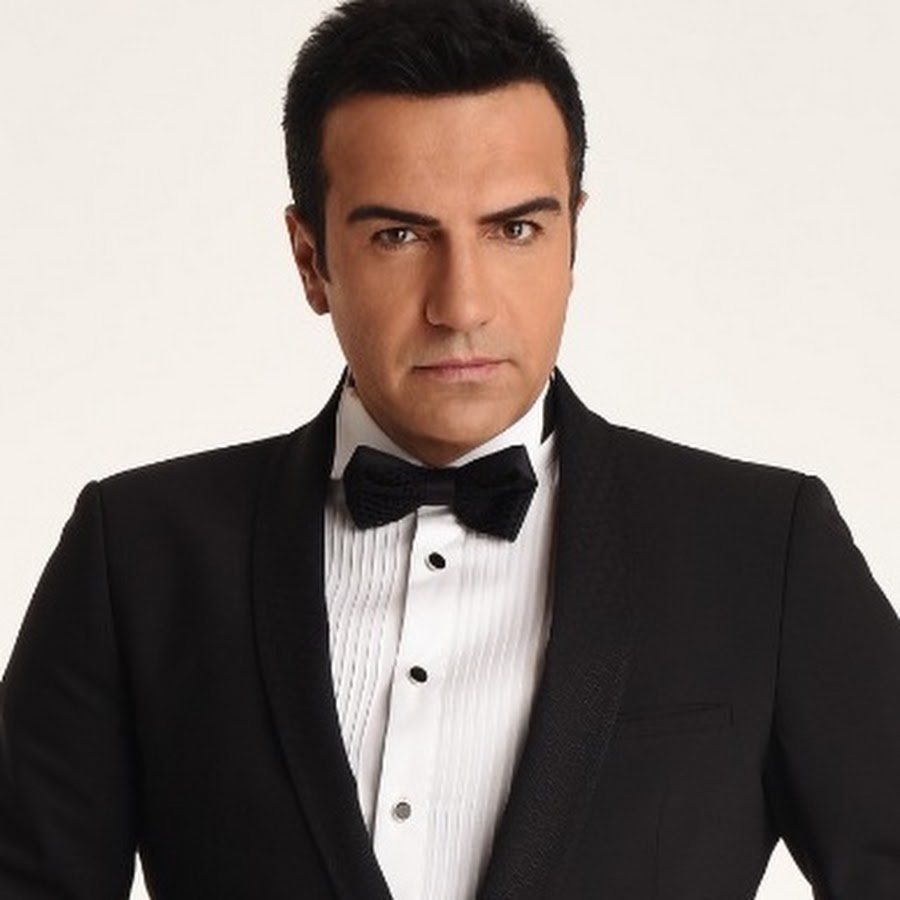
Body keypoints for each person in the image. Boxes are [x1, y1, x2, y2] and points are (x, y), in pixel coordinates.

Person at [1, 0, 898, 897]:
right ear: (311, 259)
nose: (461, 305)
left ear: (573, 236)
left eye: (515, 230)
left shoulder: (766, 551)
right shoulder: (133, 556)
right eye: (398, 236)